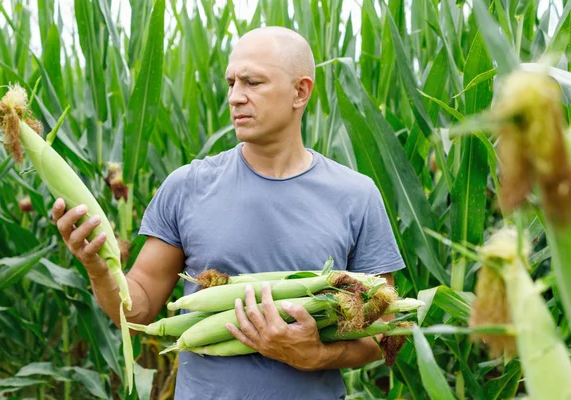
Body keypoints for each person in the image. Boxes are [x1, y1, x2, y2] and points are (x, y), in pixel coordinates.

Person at [52, 26, 405, 400]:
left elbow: (384, 328)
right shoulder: (187, 186)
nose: (235, 97)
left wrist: (316, 356)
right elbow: (137, 311)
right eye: (231, 83)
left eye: (253, 83)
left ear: (300, 92)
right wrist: (98, 267)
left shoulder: (356, 195)